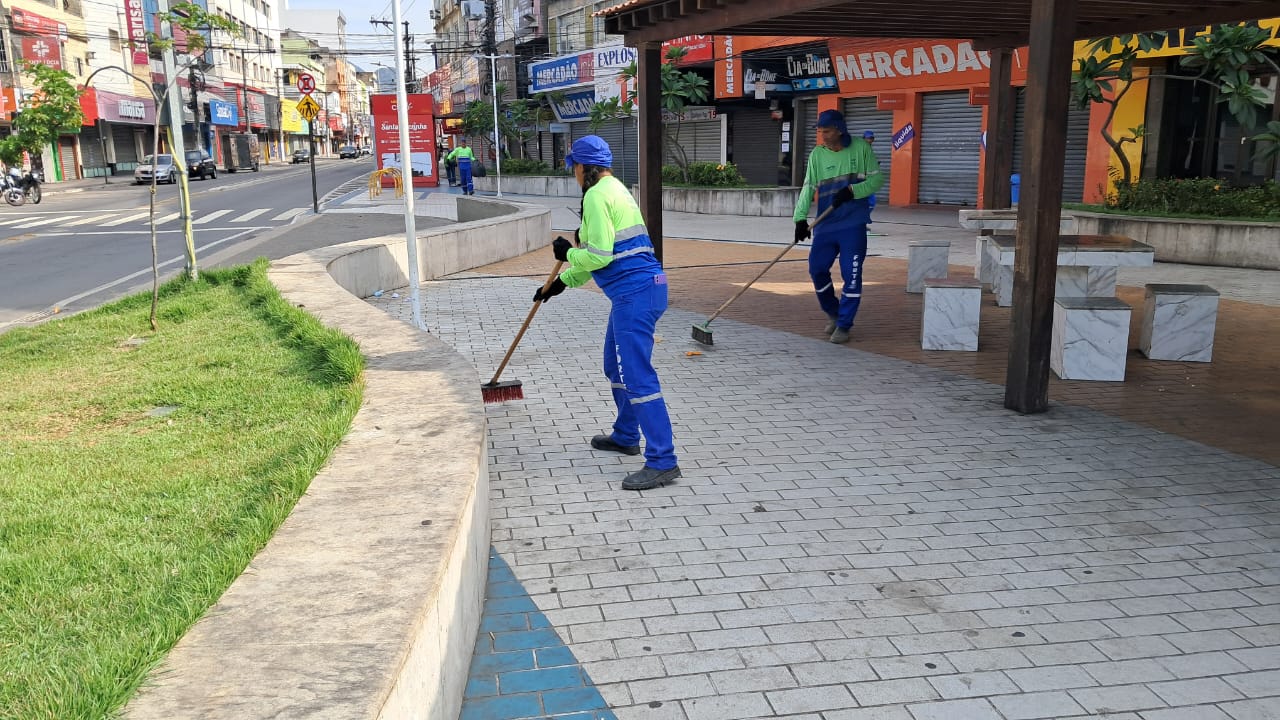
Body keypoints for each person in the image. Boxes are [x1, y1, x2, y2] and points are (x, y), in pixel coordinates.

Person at [532, 135, 680, 491]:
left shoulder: (597, 196)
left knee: (638, 377)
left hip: (636, 294)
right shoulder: (615, 189)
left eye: (574, 169)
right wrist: (562, 282)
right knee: (614, 367)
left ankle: (663, 460)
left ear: (583, 168)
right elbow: (604, 254)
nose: (574, 175)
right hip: (640, 290)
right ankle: (626, 435)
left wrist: (567, 254)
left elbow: (598, 256)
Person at [793, 109, 884, 344]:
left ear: (839, 129)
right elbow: (808, 186)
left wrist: (853, 190)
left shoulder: (862, 148)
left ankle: (844, 325)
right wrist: (800, 219)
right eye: (820, 131)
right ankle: (833, 313)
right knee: (817, 269)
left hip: (853, 223)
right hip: (826, 223)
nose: (822, 135)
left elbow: (877, 180)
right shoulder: (818, 154)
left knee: (851, 274)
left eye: (827, 131)